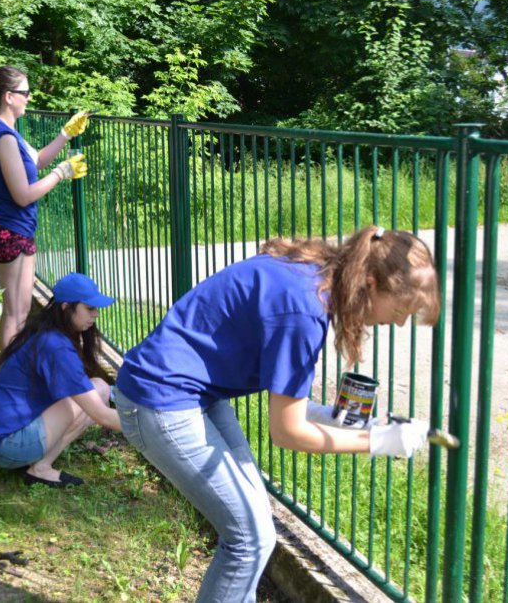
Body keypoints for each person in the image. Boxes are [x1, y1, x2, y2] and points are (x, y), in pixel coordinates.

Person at [113, 225, 442, 603]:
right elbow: (287, 432)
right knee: (250, 539)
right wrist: (379, 441)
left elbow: (292, 408)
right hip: (160, 398)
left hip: (194, 392)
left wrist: (328, 417)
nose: (398, 323)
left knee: (256, 531)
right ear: (370, 283)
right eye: (400, 310)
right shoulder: (303, 311)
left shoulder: (315, 273)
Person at [0, 65, 92, 349]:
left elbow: (36, 160)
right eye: (25, 92)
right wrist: (62, 172)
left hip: (18, 228)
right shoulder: (3, 137)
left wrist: (65, 134)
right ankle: (7, 379)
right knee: (15, 313)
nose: (29, 97)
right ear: (9, 97)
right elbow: (23, 195)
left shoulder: (5, 130)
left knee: (22, 311)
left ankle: (12, 375)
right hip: (9, 228)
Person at [0, 272, 121, 489]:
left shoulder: (43, 332)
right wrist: (149, 425)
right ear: (66, 307)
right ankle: (40, 469)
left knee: (97, 387)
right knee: (99, 391)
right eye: (89, 308)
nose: (96, 315)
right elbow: (102, 416)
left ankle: (38, 465)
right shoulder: (56, 348)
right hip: (6, 444)